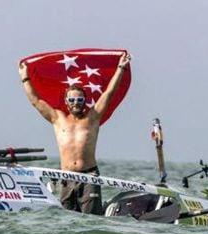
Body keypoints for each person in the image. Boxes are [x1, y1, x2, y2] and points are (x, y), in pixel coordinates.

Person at [18, 53, 131, 215]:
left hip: (89, 176)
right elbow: (35, 101)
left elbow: (109, 93)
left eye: (79, 100)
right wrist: (25, 78)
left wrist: (121, 67)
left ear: (84, 101)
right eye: (72, 100)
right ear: (66, 102)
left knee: (91, 220)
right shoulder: (58, 118)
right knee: (67, 222)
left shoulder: (93, 117)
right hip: (66, 177)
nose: (75, 103)